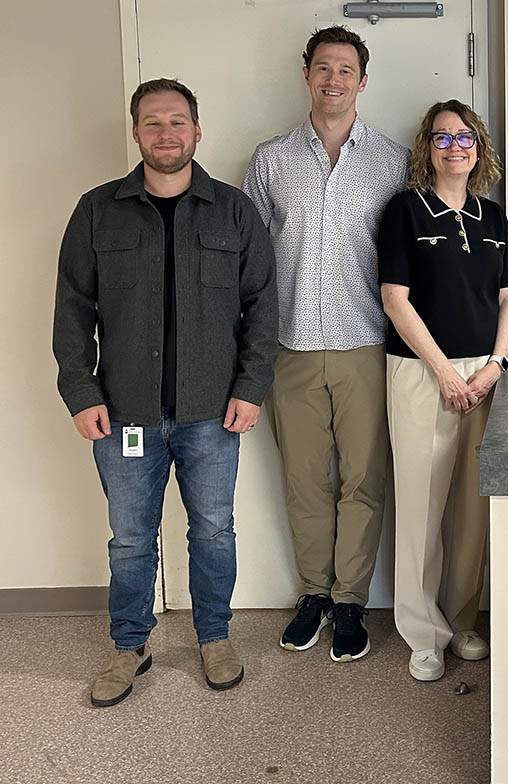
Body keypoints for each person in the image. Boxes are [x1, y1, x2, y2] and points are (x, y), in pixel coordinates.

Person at [53, 78, 278, 707]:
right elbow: (72, 309)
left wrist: (252, 386)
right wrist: (81, 391)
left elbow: (263, 307)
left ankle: (214, 638)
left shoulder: (234, 211)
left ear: (198, 131)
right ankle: (130, 645)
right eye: (152, 123)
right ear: (135, 133)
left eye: (177, 122)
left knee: (213, 531)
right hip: (124, 409)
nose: (166, 133)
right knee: (130, 538)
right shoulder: (97, 210)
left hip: (213, 411)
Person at [242, 26, 408, 661]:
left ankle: (350, 602)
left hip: (366, 341)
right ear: (305, 74)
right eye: (323, 67)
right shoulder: (270, 161)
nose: (333, 79)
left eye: (346, 70)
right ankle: (312, 592)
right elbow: (252, 264)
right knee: (304, 478)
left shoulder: (391, 163)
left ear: (362, 82)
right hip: (290, 346)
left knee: (364, 479)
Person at [379, 99, 508, 681]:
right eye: (442, 139)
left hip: (482, 376)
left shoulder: (492, 217)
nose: (454, 147)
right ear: (426, 149)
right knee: (420, 506)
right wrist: (441, 369)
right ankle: (423, 633)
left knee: (472, 504)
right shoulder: (404, 211)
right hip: (419, 373)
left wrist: (495, 365)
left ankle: (462, 619)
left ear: (479, 147)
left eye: (465, 138)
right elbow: (396, 298)